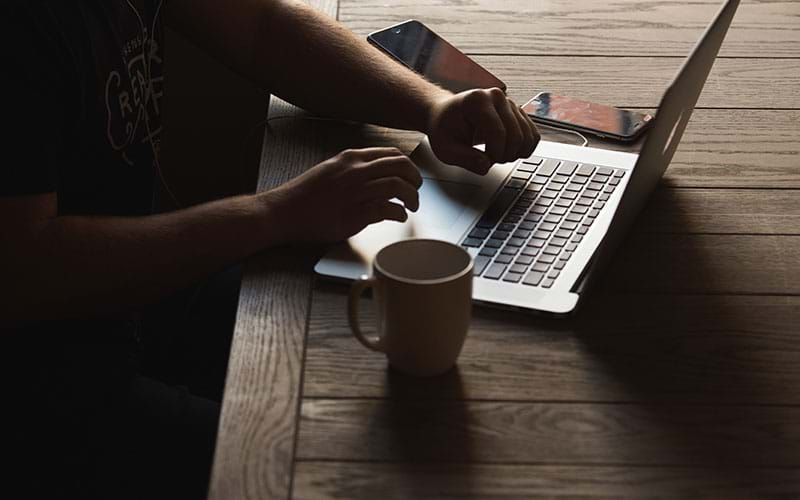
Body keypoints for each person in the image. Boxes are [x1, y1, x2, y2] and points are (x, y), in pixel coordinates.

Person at [1, 0, 539, 498]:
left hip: (143, 298)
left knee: (376, 329)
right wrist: (277, 214)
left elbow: (262, 29)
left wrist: (431, 105)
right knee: (326, 470)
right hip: (46, 381)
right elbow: (25, 270)